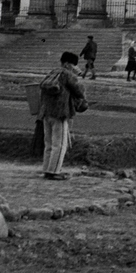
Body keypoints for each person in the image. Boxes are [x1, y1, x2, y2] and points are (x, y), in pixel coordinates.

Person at [38, 50, 86, 179]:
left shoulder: (52, 73)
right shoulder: (67, 75)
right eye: (74, 65)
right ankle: (55, 171)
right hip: (60, 113)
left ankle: (47, 169)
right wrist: (77, 76)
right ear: (68, 64)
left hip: (46, 112)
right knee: (59, 144)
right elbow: (80, 91)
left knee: (48, 143)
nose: (75, 67)